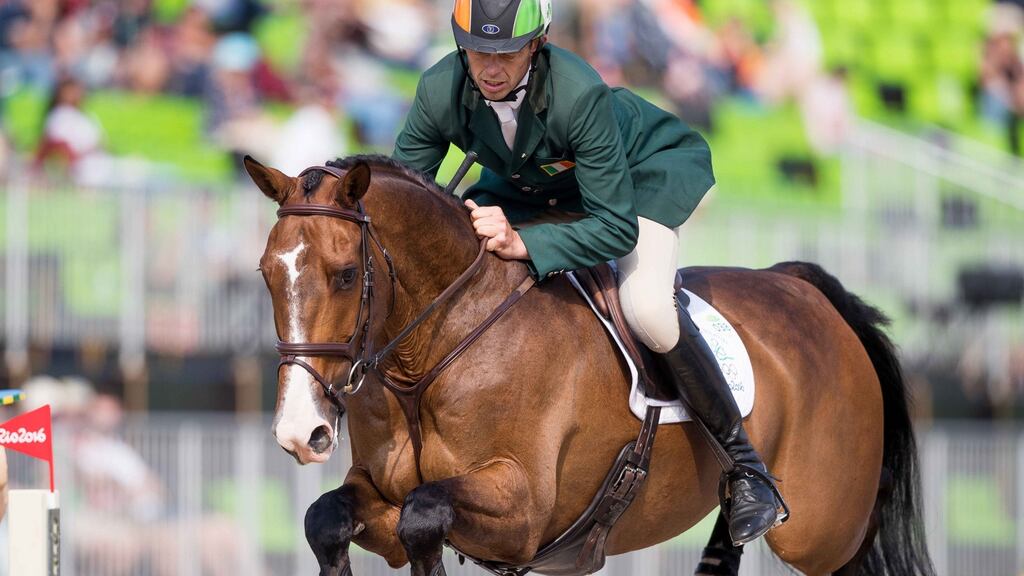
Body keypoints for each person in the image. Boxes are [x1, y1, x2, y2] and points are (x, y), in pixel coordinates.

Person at [393, 0, 787, 546]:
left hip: (641, 176)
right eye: (477, 50)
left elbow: (614, 228)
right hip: (538, 185)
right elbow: (403, 205)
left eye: (505, 52)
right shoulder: (441, 88)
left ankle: (747, 469)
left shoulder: (577, 91)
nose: (489, 67)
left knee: (647, 306)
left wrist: (523, 240)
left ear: (537, 43)